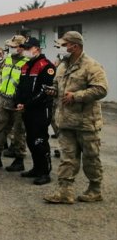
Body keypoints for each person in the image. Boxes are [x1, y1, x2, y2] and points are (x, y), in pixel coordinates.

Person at [44, 31, 108, 204]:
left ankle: (95, 189)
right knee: (67, 158)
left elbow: (101, 89)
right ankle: (65, 192)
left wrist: (76, 96)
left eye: (64, 45)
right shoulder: (62, 65)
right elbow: (57, 85)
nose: (61, 47)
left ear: (75, 46)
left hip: (86, 122)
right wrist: (53, 91)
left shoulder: (91, 65)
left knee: (90, 157)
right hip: (66, 120)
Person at [14, 37, 55, 185]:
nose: (25, 50)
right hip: (27, 109)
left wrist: (27, 104)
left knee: (40, 140)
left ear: (36, 49)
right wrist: (19, 102)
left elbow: (45, 91)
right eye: (24, 48)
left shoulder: (46, 66)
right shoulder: (25, 65)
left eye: (28, 48)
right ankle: (37, 168)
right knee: (31, 140)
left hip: (40, 109)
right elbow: (19, 86)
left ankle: (45, 172)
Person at [0, 35, 29, 172]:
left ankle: (19, 159)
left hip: (18, 104)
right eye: (10, 46)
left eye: (14, 46)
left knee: (19, 132)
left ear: (21, 47)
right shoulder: (5, 60)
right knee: (0, 129)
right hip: (3, 101)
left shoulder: (28, 63)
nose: (11, 49)